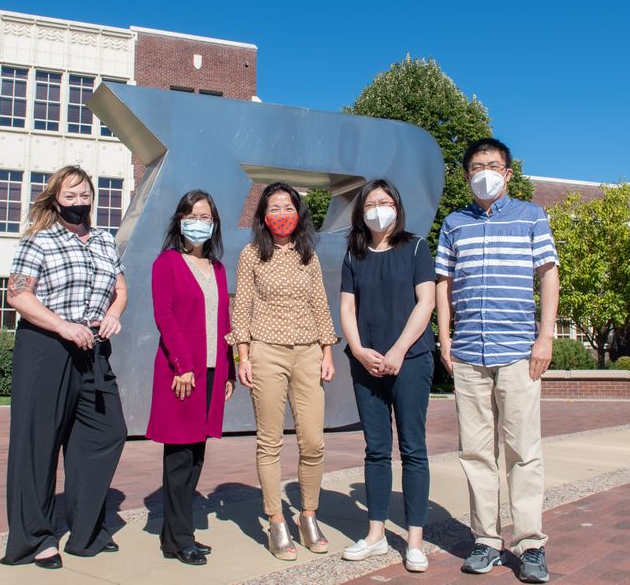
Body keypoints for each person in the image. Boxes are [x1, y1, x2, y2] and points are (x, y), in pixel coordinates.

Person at [435, 139, 560, 584]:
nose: (484, 172)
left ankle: (530, 545)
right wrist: (444, 340)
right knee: (476, 452)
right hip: (468, 353)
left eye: (493, 165)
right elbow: (443, 283)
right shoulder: (454, 223)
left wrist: (544, 337)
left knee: (524, 451)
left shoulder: (531, 216)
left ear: (508, 173)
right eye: (476, 166)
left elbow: (548, 275)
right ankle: (486, 540)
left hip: (518, 353)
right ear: (466, 175)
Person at [0, 166, 128, 570]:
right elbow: (17, 294)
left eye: (84, 194)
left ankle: (86, 528)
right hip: (46, 348)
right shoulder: (38, 241)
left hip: (93, 349)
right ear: (55, 199)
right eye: (69, 196)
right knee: (37, 446)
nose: (78, 202)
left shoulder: (106, 240)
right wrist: (63, 326)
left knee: (107, 434)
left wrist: (113, 314)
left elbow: (120, 288)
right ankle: (37, 538)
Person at [229, 182, 338, 560]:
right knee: (270, 441)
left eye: (288, 207)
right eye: (274, 208)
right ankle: (276, 520)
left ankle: (308, 515)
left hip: (308, 353)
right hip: (265, 353)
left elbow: (321, 304)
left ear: (299, 213)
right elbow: (240, 306)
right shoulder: (251, 255)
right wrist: (242, 357)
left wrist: (327, 352)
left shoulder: (309, 255)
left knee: (312, 441)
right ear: (263, 215)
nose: (282, 214)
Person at [339, 179, 436, 573]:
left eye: (386, 201)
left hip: (410, 360)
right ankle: (376, 535)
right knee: (376, 449)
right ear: (361, 211)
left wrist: (398, 350)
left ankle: (414, 540)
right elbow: (347, 308)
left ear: (397, 205)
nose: (379, 208)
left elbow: (426, 301)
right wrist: (360, 351)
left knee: (413, 449)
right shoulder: (354, 253)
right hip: (367, 364)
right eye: (371, 203)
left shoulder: (416, 248)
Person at [146, 190, 236, 566]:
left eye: (206, 215)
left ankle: (175, 536)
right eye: (193, 214)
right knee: (180, 458)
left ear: (213, 224)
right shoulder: (166, 262)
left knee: (196, 456)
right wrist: (182, 364)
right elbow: (165, 317)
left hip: (213, 372)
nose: (199, 221)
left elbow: (223, 319)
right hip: (182, 373)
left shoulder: (216, 267)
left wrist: (228, 369)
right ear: (180, 220)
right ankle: (181, 538)